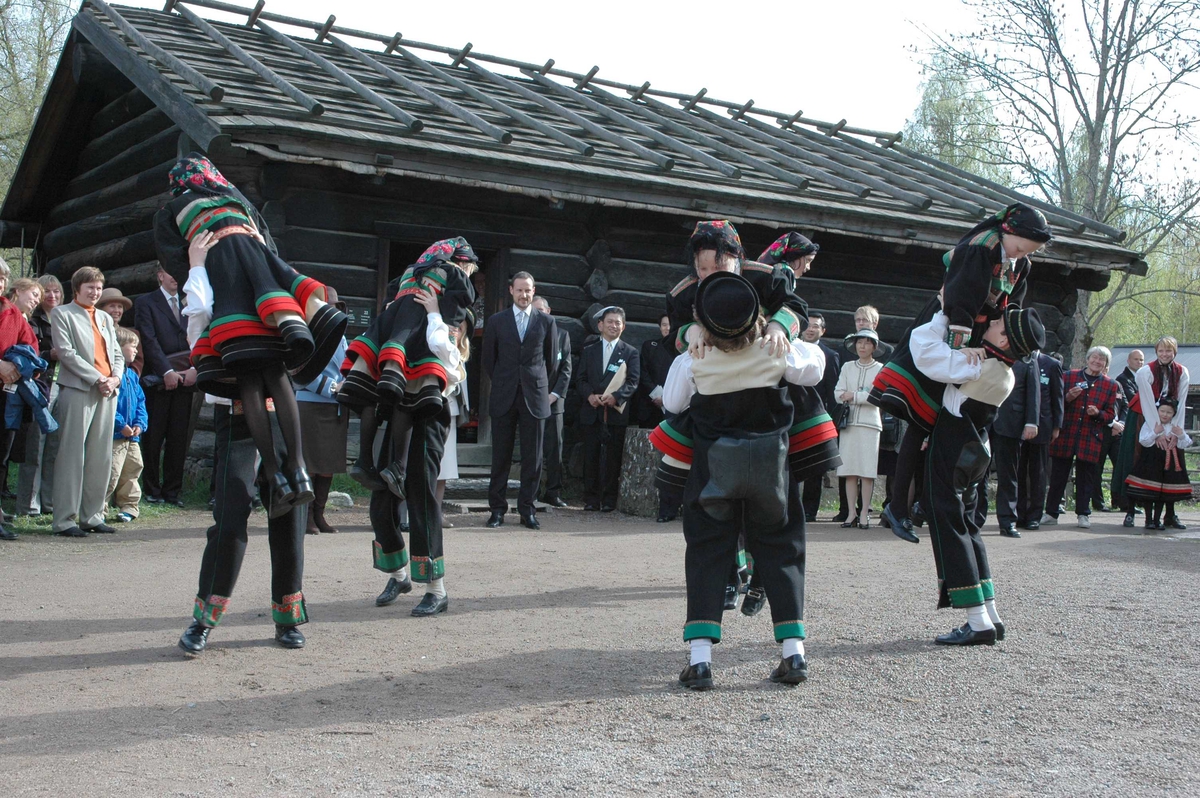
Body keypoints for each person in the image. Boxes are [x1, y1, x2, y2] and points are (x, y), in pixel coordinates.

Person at [156, 154, 348, 518]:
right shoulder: (237, 199)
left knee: (248, 382)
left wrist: (198, 268)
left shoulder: (171, 209)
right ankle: (299, 471)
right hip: (264, 287)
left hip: (226, 287)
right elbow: (269, 245)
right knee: (278, 377)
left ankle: (275, 477)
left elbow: (175, 263)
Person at [663, 271, 825, 689]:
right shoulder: (778, 353)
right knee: (783, 549)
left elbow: (672, 402)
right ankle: (794, 654)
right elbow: (816, 368)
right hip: (771, 467)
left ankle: (700, 661)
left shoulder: (692, 358)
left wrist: (693, 341)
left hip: (713, 470)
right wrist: (779, 331)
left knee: (706, 552)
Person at [871, 203, 1053, 535]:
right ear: (1008, 232)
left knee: (935, 423)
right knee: (918, 417)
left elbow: (1010, 308)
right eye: (1020, 247)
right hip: (950, 324)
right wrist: (961, 344)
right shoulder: (982, 247)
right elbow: (962, 297)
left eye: (1029, 251)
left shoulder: (1019, 261)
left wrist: (1000, 339)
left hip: (978, 336)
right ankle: (898, 506)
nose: (1021, 255)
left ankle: (916, 505)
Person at [912, 303, 1045, 646]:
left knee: (949, 522)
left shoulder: (977, 365)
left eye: (998, 321)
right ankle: (990, 614)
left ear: (1003, 338)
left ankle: (977, 620)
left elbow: (924, 351)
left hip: (954, 446)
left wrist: (943, 311)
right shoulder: (1006, 371)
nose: (990, 321)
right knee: (968, 525)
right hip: (975, 449)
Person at [340, 238, 477, 494]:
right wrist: (445, 319)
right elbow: (463, 299)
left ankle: (363, 461)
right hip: (415, 337)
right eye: (470, 268)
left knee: (370, 393)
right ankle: (397, 467)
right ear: (464, 262)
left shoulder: (411, 270)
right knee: (409, 394)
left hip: (385, 334)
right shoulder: (453, 272)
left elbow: (390, 298)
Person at [177, 394, 309, 653]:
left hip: (280, 414)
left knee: (290, 520)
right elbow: (203, 361)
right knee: (230, 521)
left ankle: (287, 617)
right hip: (235, 413)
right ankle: (204, 619)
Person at [372, 290, 469, 616]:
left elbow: (444, 350)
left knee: (422, 499)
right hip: (400, 415)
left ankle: (436, 589)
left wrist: (433, 315)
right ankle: (399, 576)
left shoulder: (448, 342)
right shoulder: (408, 344)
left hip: (430, 416)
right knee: (381, 502)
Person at [49, 266, 124, 538]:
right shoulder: (62, 314)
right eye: (90, 287)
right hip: (79, 389)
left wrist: (115, 378)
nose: (95, 292)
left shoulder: (104, 317)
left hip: (107, 391)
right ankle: (65, 520)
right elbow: (67, 354)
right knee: (71, 455)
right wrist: (97, 378)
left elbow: (117, 353)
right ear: (77, 289)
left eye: (98, 287)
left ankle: (92, 516)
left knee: (100, 456)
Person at [482, 271, 559, 530]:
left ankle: (528, 509)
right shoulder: (496, 321)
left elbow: (551, 362)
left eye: (528, 290)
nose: (524, 295)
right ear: (511, 291)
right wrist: (507, 379)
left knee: (533, 457)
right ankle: (497, 510)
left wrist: (533, 382)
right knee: (500, 456)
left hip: (534, 397)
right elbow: (488, 361)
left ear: (533, 291)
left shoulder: (547, 322)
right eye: (519, 290)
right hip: (504, 393)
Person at [134, 263, 198, 508]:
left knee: (178, 437)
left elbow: (199, 335)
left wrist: (194, 368)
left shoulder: (191, 302)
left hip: (187, 379)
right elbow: (148, 340)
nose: (176, 278)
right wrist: (167, 371)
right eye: (172, 273)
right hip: (159, 380)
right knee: (153, 436)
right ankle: (152, 489)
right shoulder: (146, 302)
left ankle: (173, 491)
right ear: (160, 275)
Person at [1044, 346, 1120, 529]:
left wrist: (1098, 413)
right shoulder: (1069, 376)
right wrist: (1068, 397)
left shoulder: (1111, 385)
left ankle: (1083, 514)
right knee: (1058, 475)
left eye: (1101, 360)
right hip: (1067, 434)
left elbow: (1111, 414)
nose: (1097, 362)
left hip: (1090, 437)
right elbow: (1055, 402)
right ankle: (1051, 513)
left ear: (1106, 364)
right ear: (1087, 359)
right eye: (1094, 358)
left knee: (1086, 477)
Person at [1119, 337, 1190, 530]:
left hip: (1171, 418)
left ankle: (1169, 514)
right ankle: (1130, 510)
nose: (1165, 354)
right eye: (1161, 351)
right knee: (1137, 460)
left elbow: (1181, 402)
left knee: (1172, 461)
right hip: (1143, 416)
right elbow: (1148, 403)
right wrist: (1156, 432)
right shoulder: (1145, 371)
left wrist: (1175, 431)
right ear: (1156, 352)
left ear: (1174, 352)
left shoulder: (1182, 372)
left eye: (1169, 351)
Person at [576, 306, 640, 512]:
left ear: (624, 327)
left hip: (615, 412)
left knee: (613, 458)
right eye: (610, 322)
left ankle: (610, 499)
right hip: (592, 411)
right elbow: (580, 378)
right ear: (600, 325)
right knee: (591, 456)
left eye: (618, 323)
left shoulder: (630, 352)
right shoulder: (589, 350)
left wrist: (617, 397)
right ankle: (591, 498)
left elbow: (633, 381)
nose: (614, 326)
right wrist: (589, 396)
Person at [297, 291, 349, 535]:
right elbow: (300, 369)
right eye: (327, 307)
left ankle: (319, 514)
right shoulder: (306, 332)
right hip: (311, 403)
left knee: (328, 463)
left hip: (335, 406)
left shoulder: (341, 336)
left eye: (335, 307)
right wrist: (332, 387)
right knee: (310, 463)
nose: (332, 311)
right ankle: (306, 516)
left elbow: (345, 367)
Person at [835, 305, 891, 523]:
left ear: (874, 346)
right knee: (849, 471)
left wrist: (856, 395)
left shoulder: (880, 369)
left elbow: (878, 396)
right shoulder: (848, 367)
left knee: (867, 471)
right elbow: (838, 393)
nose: (863, 345)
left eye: (867, 342)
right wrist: (859, 394)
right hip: (849, 424)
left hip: (870, 424)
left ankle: (865, 513)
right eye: (859, 342)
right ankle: (851, 513)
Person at [0, 275, 45, 540]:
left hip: (6, 395)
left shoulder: (13, 313)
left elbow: (32, 348)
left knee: (1, 456)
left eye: (3, 276)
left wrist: (18, 367)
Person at [16, 274, 62, 517]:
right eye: (47, 292)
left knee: (54, 448)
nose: (52, 296)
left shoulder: (64, 318)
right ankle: (28, 504)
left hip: (62, 387)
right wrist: (49, 353)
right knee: (35, 447)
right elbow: (29, 351)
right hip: (39, 387)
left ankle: (49, 502)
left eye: (56, 291)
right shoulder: (32, 320)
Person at [989, 352, 1040, 537]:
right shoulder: (986, 350)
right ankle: (974, 519)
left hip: (1011, 423)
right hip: (983, 421)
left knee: (1008, 475)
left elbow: (1033, 391)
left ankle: (1008, 521)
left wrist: (1031, 422)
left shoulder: (1027, 358)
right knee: (976, 473)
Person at [1125, 398, 1192, 532]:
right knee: (1150, 492)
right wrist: (1155, 433)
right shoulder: (1151, 424)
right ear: (1157, 411)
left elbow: (1186, 443)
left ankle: (1157, 520)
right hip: (1151, 462)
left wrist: (1181, 435)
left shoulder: (1175, 427)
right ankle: (1148, 520)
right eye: (1162, 411)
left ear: (1173, 414)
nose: (1165, 415)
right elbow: (1143, 441)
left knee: (1163, 494)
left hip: (1169, 464)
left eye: (1169, 412)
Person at [800, 312, 840, 521]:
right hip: (792, 413)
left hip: (816, 416)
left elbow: (833, 392)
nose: (811, 328)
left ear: (823, 330)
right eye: (808, 324)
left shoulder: (830, 356)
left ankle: (809, 510)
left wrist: (831, 420)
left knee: (814, 467)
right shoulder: (792, 349)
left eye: (816, 326)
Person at [106, 328, 147, 523]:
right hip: (114, 436)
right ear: (118, 347)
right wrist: (120, 424)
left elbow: (140, 402)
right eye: (133, 347)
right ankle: (100, 508)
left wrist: (140, 423)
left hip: (132, 437)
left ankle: (129, 506)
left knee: (133, 469)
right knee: (111, 472)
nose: (136, 352)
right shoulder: (111, 375)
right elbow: (107, 405)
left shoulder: (132, 376)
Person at [533, 296, 571, 508]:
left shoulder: (563, 335)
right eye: (534, 310)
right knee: (534, 448)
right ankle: (533, 491)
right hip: (532, 402)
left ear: (548, 311)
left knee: (554, 448)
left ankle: (553, 492)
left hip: (554, 403)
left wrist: (554, 395)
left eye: (541, 310)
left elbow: (566, 369)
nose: (539, 314)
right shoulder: (528, 335)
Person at [1018, 351, 1063, 529]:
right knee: (1019, 471)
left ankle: (1034, 515)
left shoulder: (1051, 364)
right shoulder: (1016, 359)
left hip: (1043, 425)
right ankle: (1019, 513)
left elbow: (1057, 397)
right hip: (1017, 425)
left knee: (1038, 472)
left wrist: (1057, 426)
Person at [1110, 349, 1143, 524]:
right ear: (1129, 360)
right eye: (1136, 359)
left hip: (1132, 425)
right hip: (1125, 426)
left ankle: (1126, 501)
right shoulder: (1123, 380)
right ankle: (1119, 501)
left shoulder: (1141, 378)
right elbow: (1130, 400)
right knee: (1122, 464)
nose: (1139, 362)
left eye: (1142, 360)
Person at [97, 288, 143, 378]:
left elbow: (138, 362)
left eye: (120, 307)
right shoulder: (96, 333)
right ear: (101, 309)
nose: (117, 310)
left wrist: (128, 378)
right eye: (112, 306)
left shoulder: (132, 334)